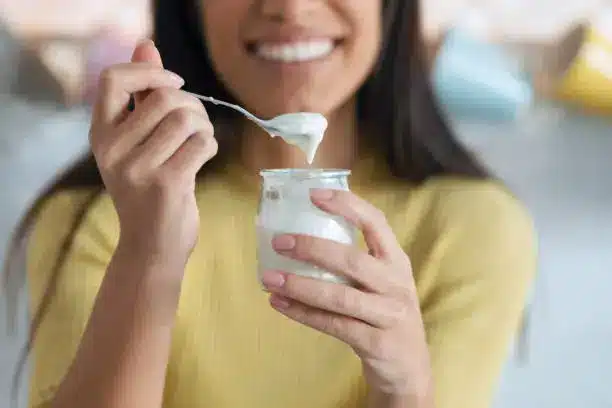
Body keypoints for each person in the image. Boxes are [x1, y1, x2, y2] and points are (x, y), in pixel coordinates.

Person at [7, 1, 537, 408]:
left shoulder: (472, 228)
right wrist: (149, 254)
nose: (289, 6)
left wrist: (407, 392)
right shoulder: (101, 221)